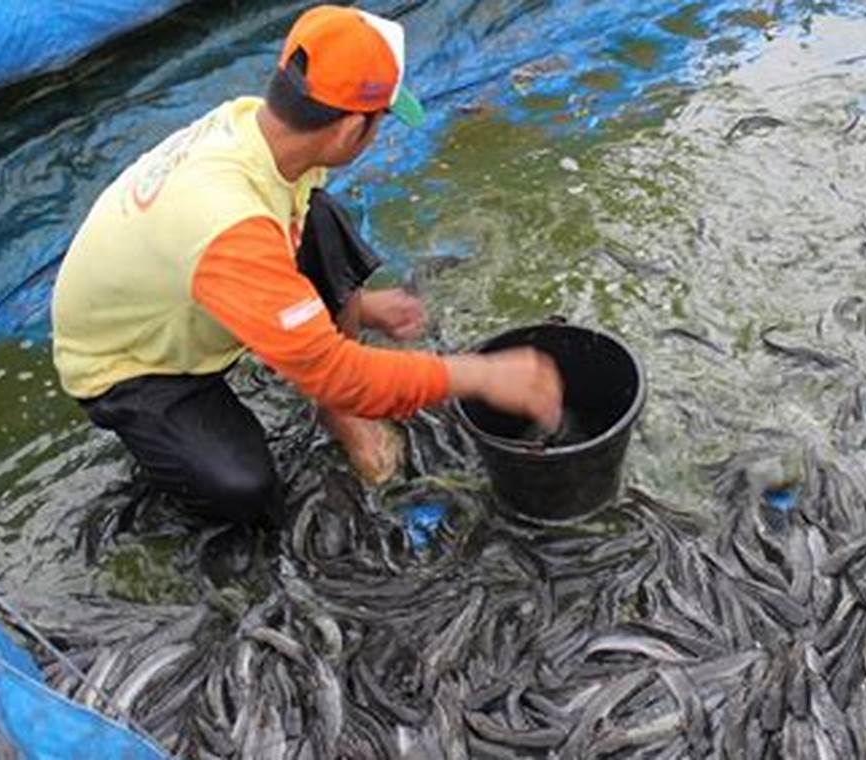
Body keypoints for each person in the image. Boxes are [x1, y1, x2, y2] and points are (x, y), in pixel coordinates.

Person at [50, 5, 563, 529]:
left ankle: (337, 408)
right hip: (134, 363)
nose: (380, 135)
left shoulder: (257, 125)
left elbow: (298, 231)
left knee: (319, 214)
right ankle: (320, 408)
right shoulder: (229, 222)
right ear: (347, 132)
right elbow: (338, 373)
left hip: (196, 293)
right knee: (242, 489)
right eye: (380, 122)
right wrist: (483, 374)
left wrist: (360, 307)